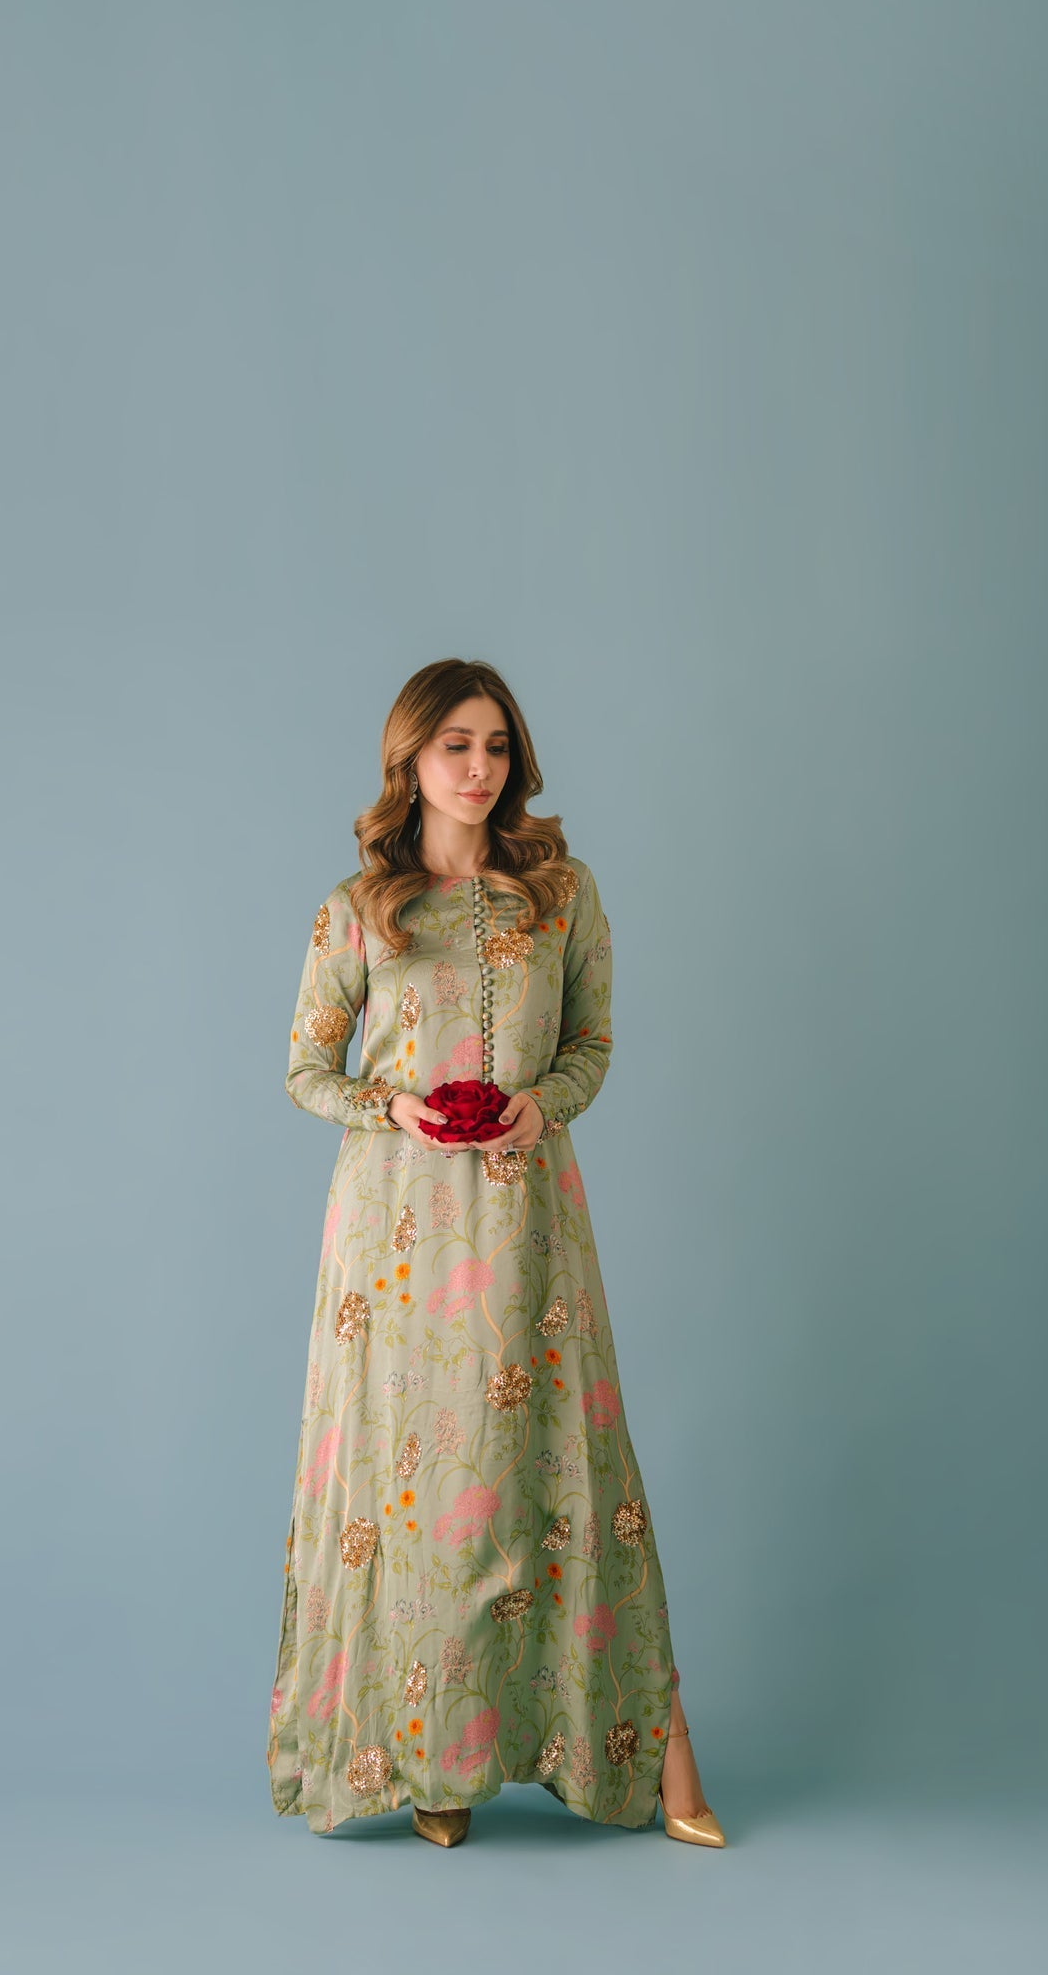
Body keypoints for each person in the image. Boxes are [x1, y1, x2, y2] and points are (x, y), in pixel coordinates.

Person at [267, 658, 725, 1849]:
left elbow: (592, 1045)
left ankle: (621, 1748)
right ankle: (432, 1756)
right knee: (414, 1481)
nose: (479, 767)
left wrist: (541, 1104)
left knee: (542, 1464)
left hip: (527, 1222)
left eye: (497, 746)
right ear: (410, 760)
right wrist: (393, 1106)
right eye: (455, 745)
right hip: (394, 1233)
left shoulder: (560, 894)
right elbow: (305, 1068)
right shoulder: (361, 906)